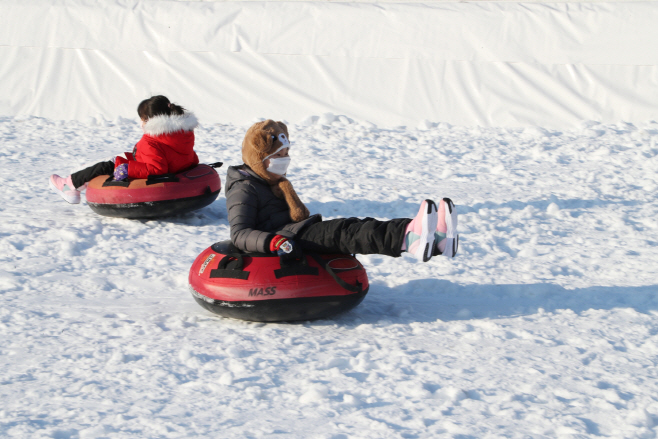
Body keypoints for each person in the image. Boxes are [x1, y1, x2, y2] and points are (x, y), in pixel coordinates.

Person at [225, 119, 458, 262]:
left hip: (294, 232)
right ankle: (410, 237)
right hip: (285, 240)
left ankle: (436, 240)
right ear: (258, 158)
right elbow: (239, 233)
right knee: (345, 232)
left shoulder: (269, 181)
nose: (284, 161)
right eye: (278, 156)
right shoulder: (244, 188)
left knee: (354, 224)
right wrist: (272, 242)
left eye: (286, 154)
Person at [49, 95, 199, 204]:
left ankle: (69, 185)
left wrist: (128, 168)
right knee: (117, 158)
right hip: (169, 166)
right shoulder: (183, 133)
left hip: (154, 173)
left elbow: (156, 168)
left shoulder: (151, 140)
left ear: (148, 120)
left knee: (107, 166)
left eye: (142, 119)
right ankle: (78, 181)